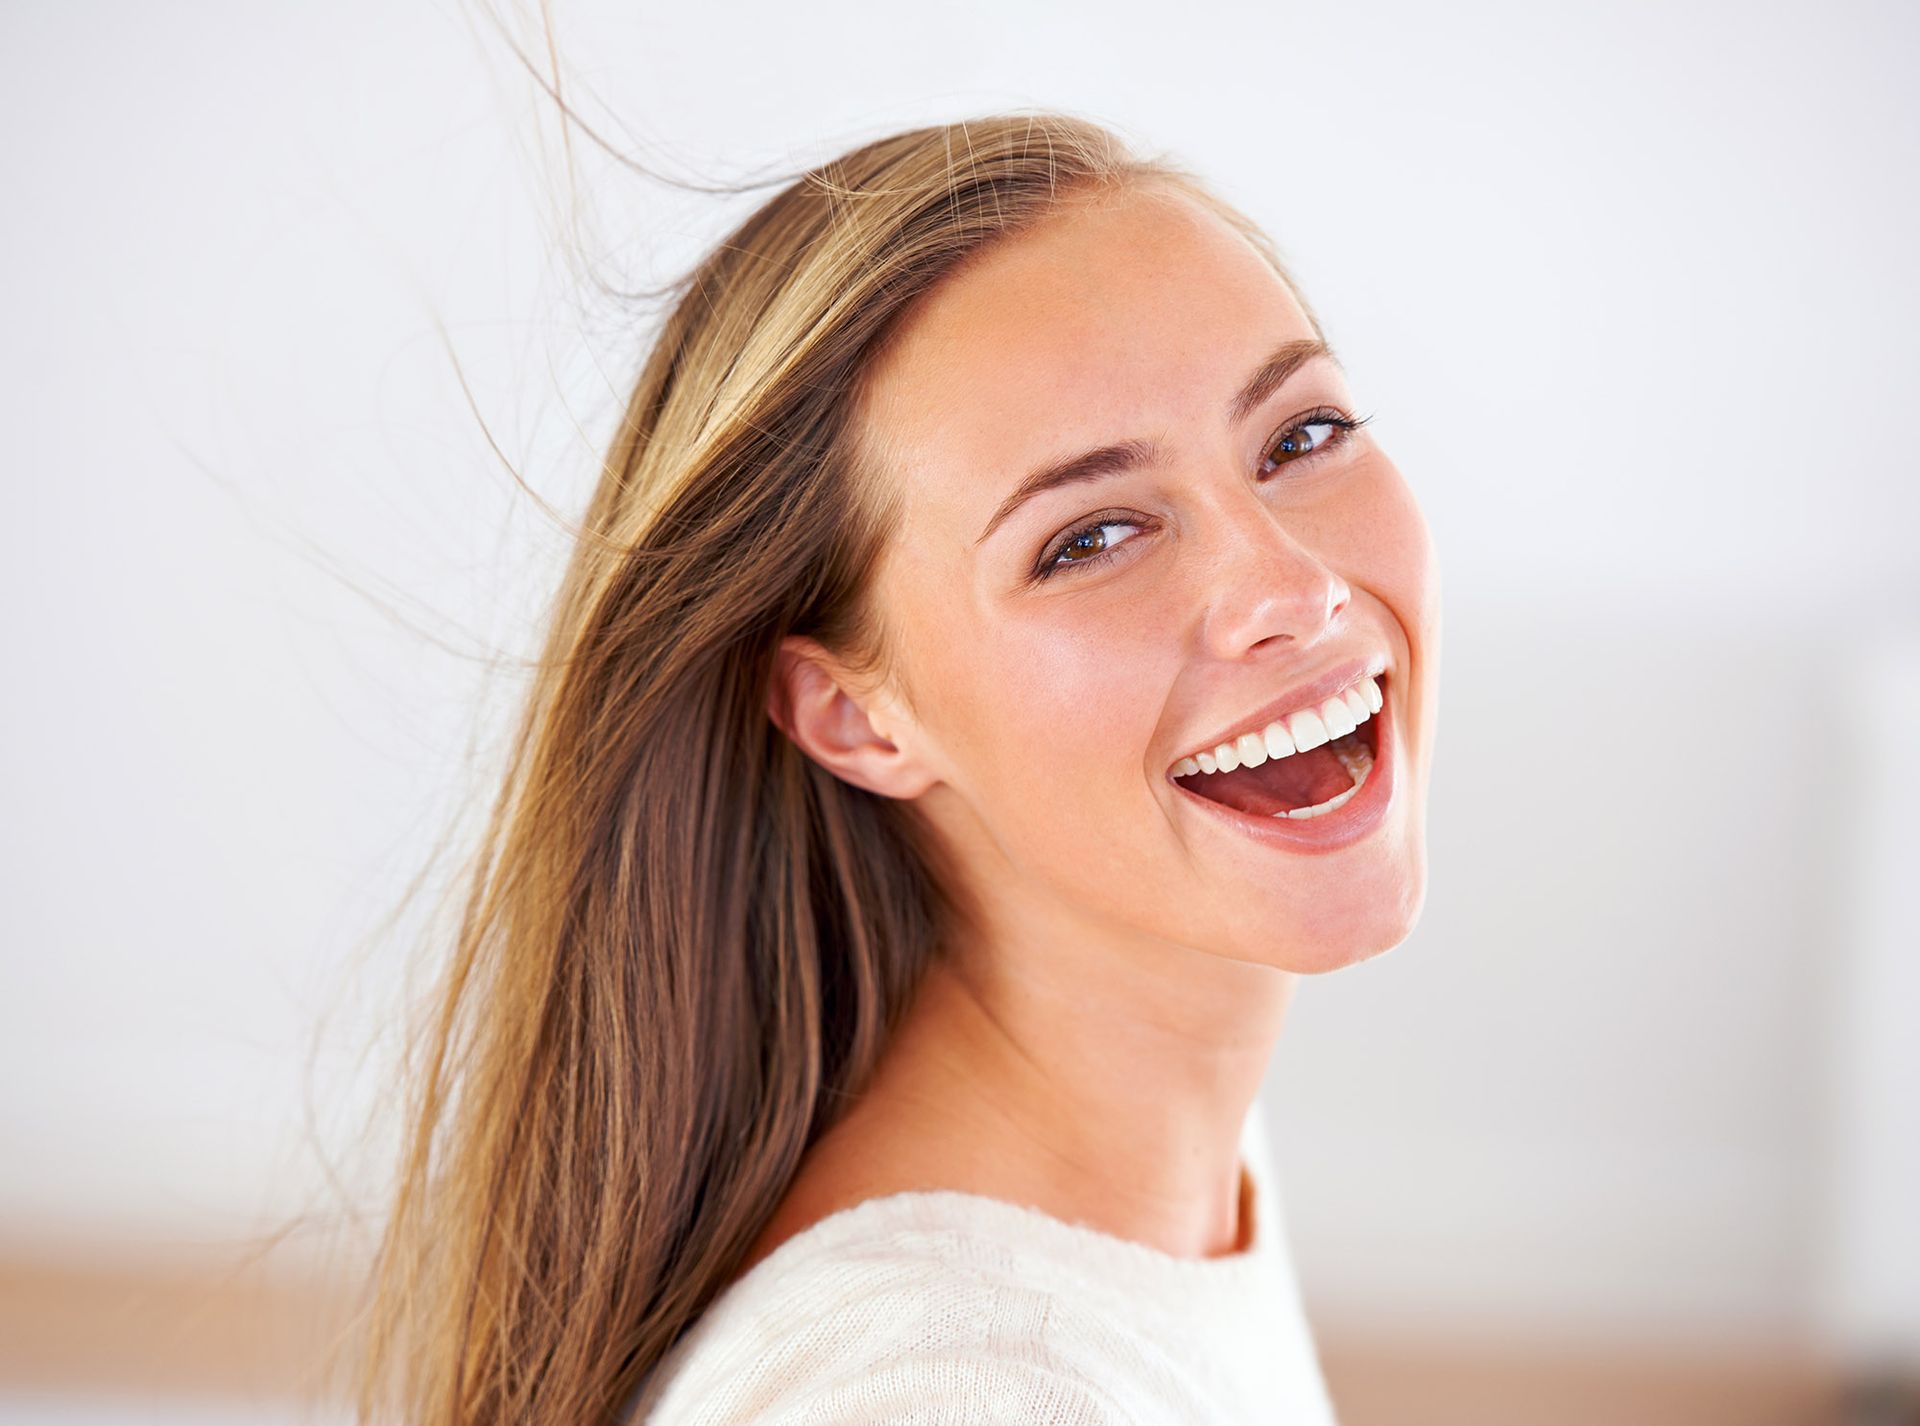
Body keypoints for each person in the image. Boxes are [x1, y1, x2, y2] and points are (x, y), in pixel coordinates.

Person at [355, 112, 1441, 1426]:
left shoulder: (1165, 1171)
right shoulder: (946, 1391)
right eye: (1090, 536)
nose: (1290, 586)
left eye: (1299, 436)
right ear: (853, 714)